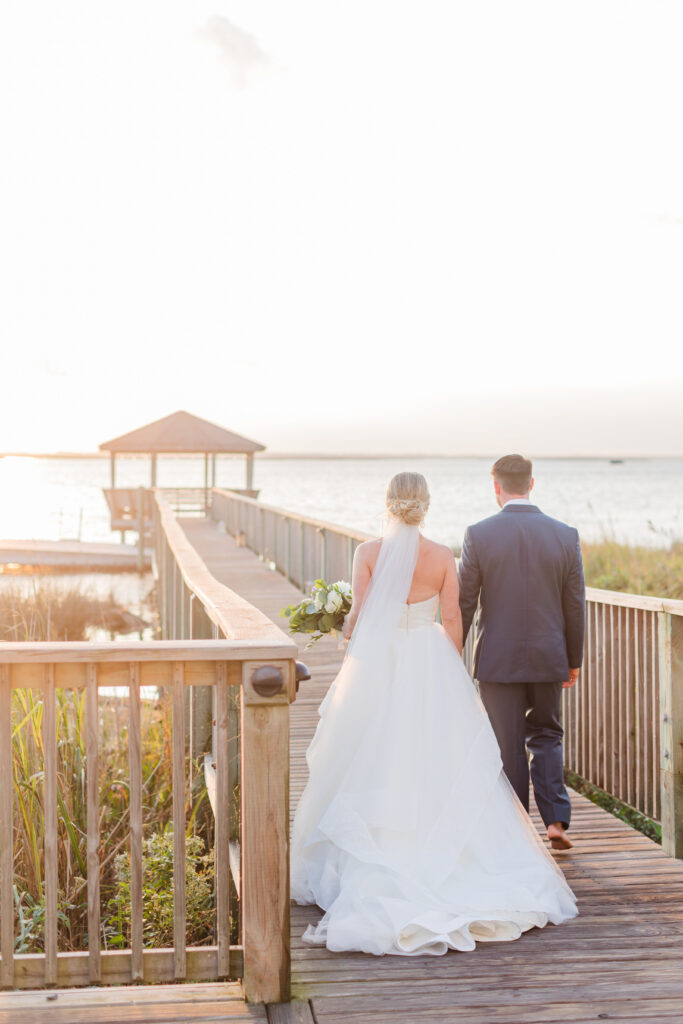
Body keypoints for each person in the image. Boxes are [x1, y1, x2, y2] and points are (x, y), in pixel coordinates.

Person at [290, 471, 577, 957]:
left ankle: (380, 852)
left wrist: (351, 652)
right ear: (425, 505)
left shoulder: (366, 554)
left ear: (387, 503)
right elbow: (452, 620)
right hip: (430, 658)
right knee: (439, 756)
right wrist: (450, 670)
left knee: (373, 752)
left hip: (382, 662)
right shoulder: (444, 556)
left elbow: (360, 617)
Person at [458, 454, 586, 852]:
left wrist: (451, 651)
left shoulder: (478, 535)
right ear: (532, 484)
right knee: (547, 734)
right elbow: (575, 605)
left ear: (496, 487)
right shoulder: (565, 535)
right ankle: (555, 821)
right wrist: (573, 659)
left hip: (497, 660)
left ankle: (515, 827)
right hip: (550, 656)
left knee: (506, 741)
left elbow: (464, 602)